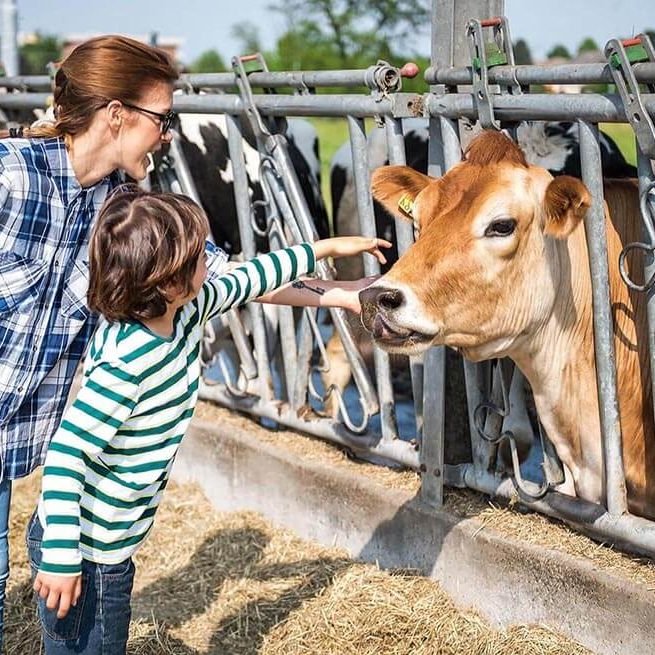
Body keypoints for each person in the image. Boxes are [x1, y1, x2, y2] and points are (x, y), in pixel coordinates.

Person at [26, 188, 389, 654]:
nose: (209, 259)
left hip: (110, 543)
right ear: (167, 280)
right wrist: (60, 556)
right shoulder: (126, 362)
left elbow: (253, 279)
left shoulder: (189, 309)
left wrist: (325, 255)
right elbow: (65, 454)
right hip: (82, 549)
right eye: (198, 255)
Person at [0, 35, 179, 648]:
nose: (166, 135)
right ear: (116, 115)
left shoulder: (123, 210)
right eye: (162, 118)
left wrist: (332, 287)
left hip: (10, 442)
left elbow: (207, 268)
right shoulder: (10, 176)